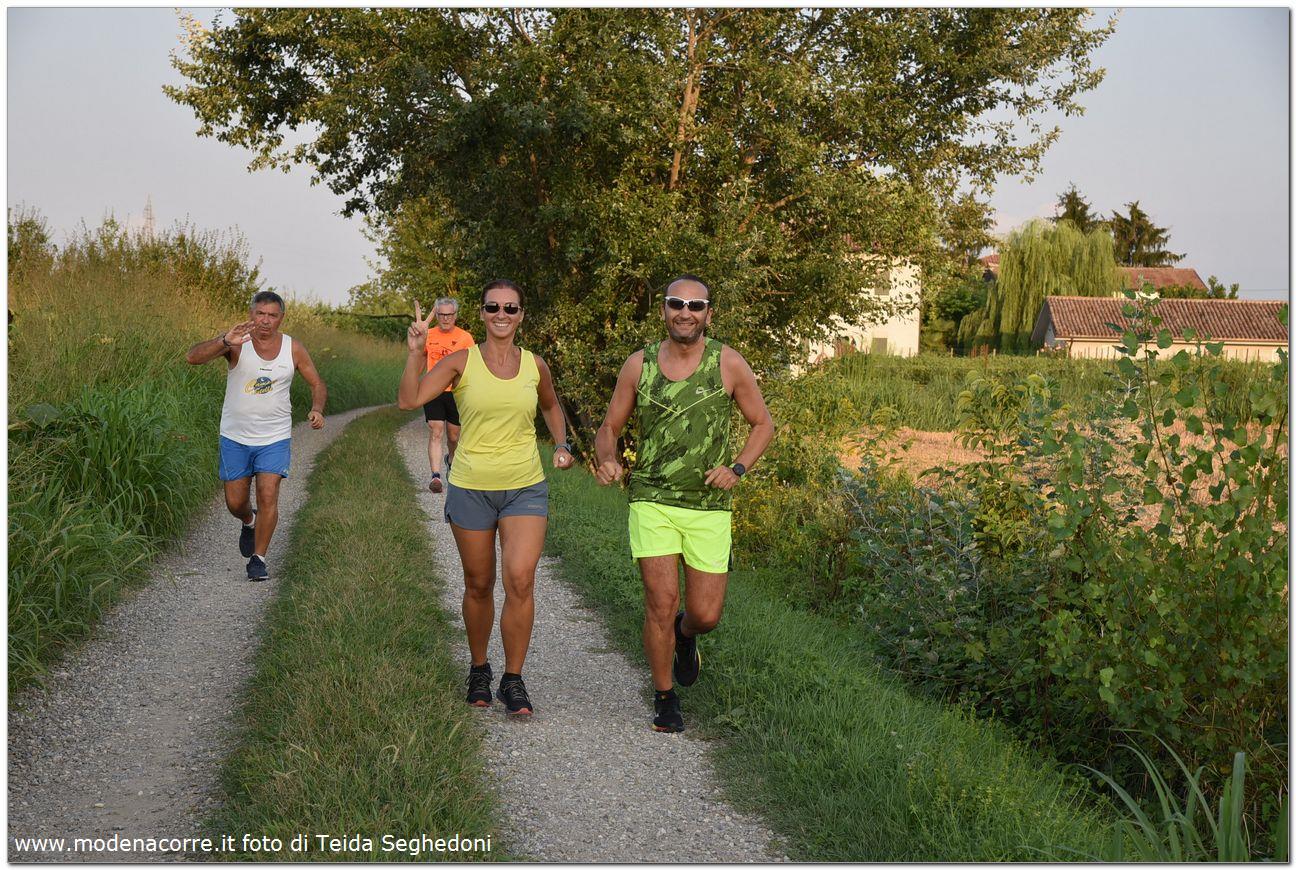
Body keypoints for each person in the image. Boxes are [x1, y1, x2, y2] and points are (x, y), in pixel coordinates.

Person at [594, 275, 773, 733]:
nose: (685, 312)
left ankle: (685, 633)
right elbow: (609, 427)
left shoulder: (728, 363)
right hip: (651, 498)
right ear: (664, 310)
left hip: (708, 504)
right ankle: (665, 696)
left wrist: (738, 468)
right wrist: (607, 459)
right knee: (660, 600)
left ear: (709, 314)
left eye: (696, 305)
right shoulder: (639, 364)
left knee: (706, 615)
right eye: (677, 303)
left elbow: (763, 424)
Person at [398, 279, 574, 717]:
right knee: (479, 584)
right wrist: (416, 352)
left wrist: (561, 444)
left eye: (510, 308)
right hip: (472, 486)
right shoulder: (461, 362)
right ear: (481, 313)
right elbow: (409, 400)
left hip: (524, 487)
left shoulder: (535, 365)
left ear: (521, 315)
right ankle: (479, 669)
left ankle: (513, 679)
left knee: (521, 579)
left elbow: (550, 406)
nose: (501, 314)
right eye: (493, 307)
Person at [185, 290, 327, 581]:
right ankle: (248, 520)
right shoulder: (237, 342)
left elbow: (317, 383)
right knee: (235, 502)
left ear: (281, 318)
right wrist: (224, 341)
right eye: (260, 313)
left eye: (272, 315)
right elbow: (192, 358)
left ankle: (258, 559)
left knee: (268, 493)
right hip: (235, 436)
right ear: (251, 314)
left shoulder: (293, 348)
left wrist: (317, 408)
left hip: (274, 436)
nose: (265, 320)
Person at [421, 296, 475, 493]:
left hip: (456, 392)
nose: (445, 318)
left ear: (455, 315)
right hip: (433, 389)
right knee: (436, 430)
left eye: (449, 314)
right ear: (437, 315)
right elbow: (418, 359)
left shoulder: (465, 338)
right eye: (442, 314)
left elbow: (472, 366)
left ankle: (451, 460)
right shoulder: (428, 335)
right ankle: (435, 476)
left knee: (453, 435)